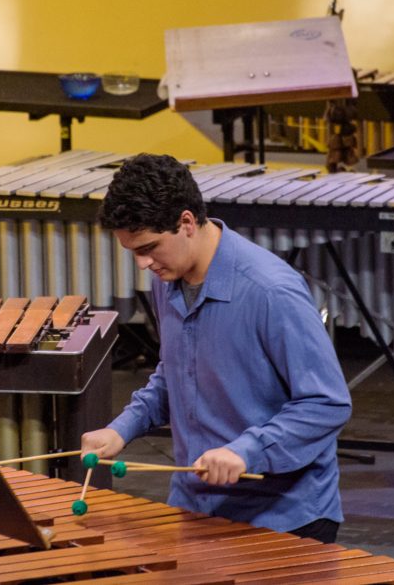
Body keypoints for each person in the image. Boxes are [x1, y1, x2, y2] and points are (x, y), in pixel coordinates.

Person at [81, 153, 352, 543]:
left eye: (149, 247)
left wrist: (246, 451)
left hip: (283, 519)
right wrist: (121, 429)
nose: (142, 264)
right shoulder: (167, 277)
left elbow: (327, 403)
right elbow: (175, 372)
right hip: (197, 507)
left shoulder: (270, 291)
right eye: (133, 252)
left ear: (187, 222)